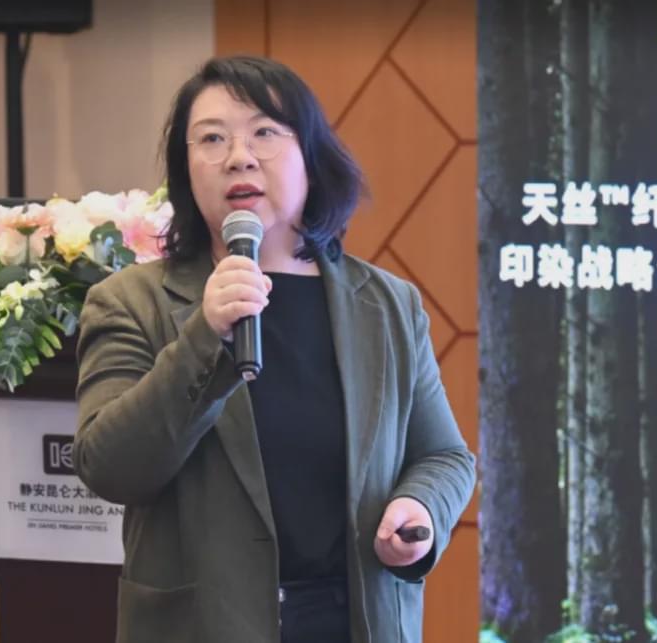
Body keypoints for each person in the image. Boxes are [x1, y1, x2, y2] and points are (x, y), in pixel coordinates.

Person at [73, 55, 476, 643]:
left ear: (311, 157)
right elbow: (110, 468)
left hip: (355, 621)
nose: (239, 156)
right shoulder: (131, 302)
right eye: (212, 138)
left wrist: (420, 509)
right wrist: (204, 337)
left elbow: (445, 456)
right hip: (203, 626)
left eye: (265, 132)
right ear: (186, 171)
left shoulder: (387, 305)